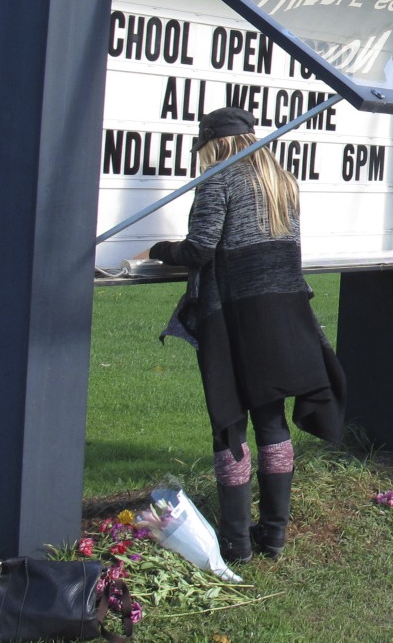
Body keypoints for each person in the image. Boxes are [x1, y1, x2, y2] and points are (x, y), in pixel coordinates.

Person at [148, 107, 346, 563]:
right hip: (285, 313)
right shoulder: (281, 181)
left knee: (230, 423)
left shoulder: (219, 179)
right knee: (271, 420)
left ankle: (235, 543)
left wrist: (156, 249)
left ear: (213, 145)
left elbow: (199, 249)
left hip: (235, 316)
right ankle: (272, 535)